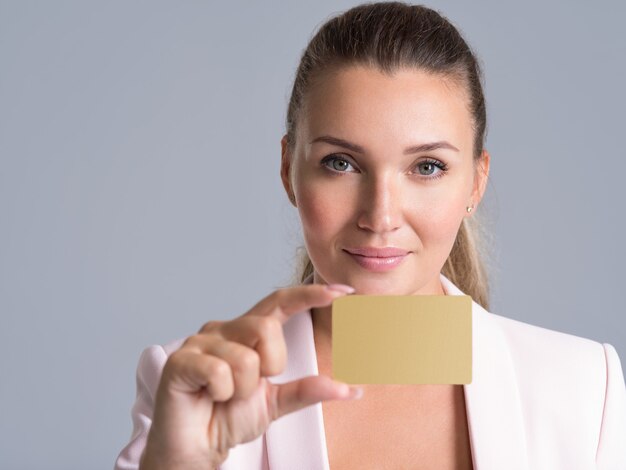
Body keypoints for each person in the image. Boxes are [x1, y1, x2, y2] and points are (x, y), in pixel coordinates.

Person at [114, 3, 626, 469]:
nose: (380, 217)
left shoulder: (585, 390)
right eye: (341, 163)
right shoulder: (191, 387)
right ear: (288, 170)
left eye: (426, 166)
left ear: (476, 181)